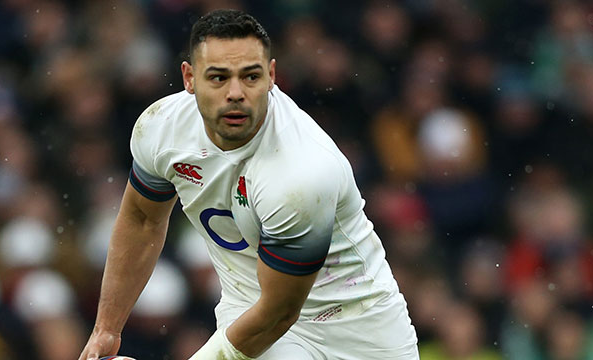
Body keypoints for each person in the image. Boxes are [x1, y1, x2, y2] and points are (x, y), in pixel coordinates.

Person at [79, 9, 418, 360]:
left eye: (250, 76)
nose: (236, 93)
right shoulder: (161, 128)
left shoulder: (300, 174)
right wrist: (107, 328)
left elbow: (278, 314)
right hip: (251, 307)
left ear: (271, 76)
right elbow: (142, 218)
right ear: (189, 78)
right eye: (218, 78)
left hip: (358, 330)